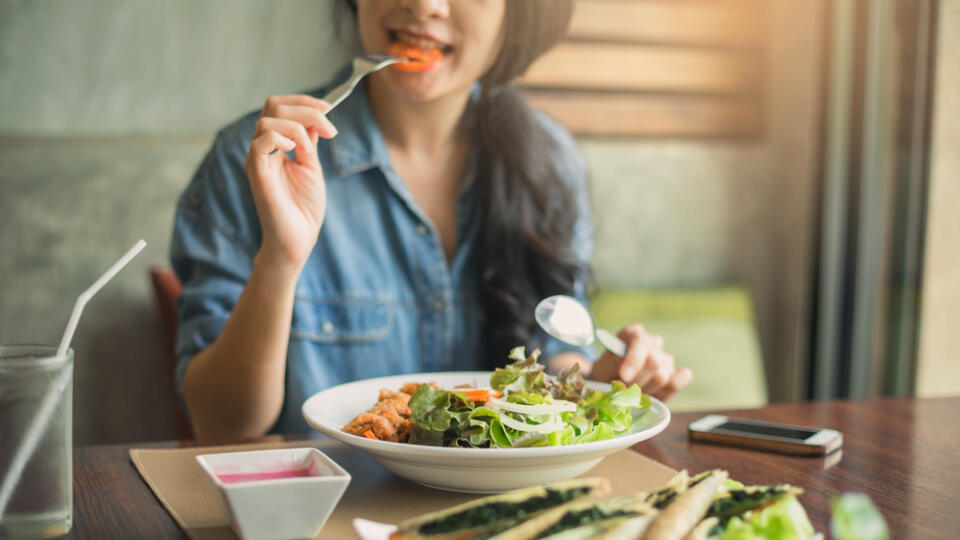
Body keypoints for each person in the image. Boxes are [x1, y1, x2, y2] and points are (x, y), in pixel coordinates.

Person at [171, 0, 692, 441]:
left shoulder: (549, 163)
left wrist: (602, 382)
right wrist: (279, 262)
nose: (424, 5)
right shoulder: (260, 159)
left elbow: (550, 367)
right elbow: (220, 426)